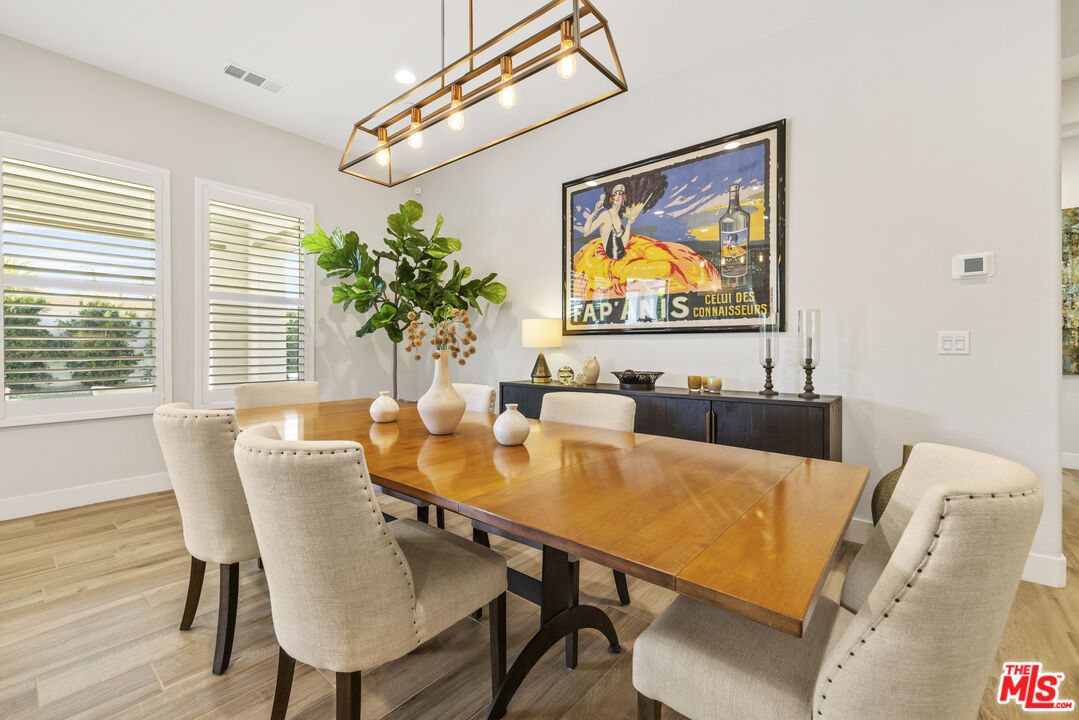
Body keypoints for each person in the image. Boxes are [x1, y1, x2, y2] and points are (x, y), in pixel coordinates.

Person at [581, 183, 631, 260]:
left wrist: (629, 224)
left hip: (622, 260)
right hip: (609, 261)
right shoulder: (605, 215)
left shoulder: (619, 217)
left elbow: (623, 244)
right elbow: (586, 232)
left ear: (623, 197)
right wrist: (595, 212)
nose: (617, 196)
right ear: (611, 197)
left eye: (620, 193)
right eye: (615, 194)